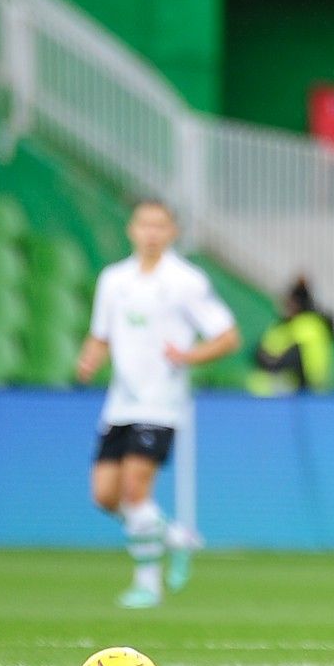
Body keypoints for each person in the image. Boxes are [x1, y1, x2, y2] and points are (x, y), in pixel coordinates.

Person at [76, 200, 241, 608]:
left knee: (135, 490)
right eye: (144, 224)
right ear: (131, 230)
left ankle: (147, 583)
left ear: (172, 233)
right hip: (121, 402)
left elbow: (227, 336)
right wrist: (91, 355)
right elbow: (101, 333)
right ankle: (173, 536)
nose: (151, 232)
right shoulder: (114, 280)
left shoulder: (186, 281)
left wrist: (189, 357)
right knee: (104, 495)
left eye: (160, 226)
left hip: (161, 402)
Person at [246, 276, 334, 396]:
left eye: (290, 302)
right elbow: (260, 351)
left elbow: (292, 358)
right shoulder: (285, 325)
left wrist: (269, 360)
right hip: (272, 396)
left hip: (298, 395)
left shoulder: (308, 326)